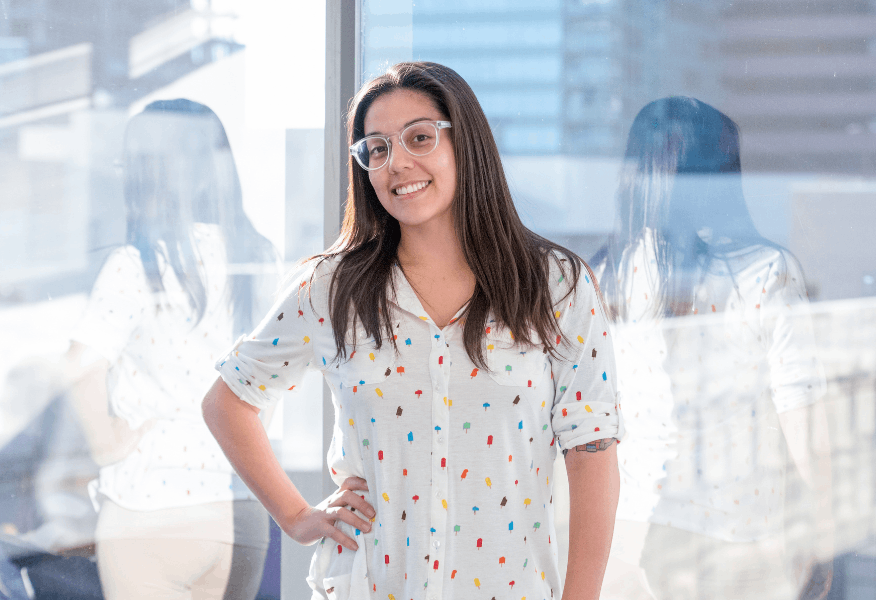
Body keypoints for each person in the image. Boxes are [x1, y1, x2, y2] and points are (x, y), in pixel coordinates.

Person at [203, 61, 624, 600]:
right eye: (376, 149)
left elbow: (593, 451)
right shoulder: (330, 287)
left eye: (419, 138)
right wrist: (297, 516)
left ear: (464, 143)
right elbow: (228, 400)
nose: (396, 164)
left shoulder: (556, 284)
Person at [591, 97, 833, 600]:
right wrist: (826, 533)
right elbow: (805, 427)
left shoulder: (603, 277)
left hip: (626, 537)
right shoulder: (766, 272)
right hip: (735, 539)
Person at [63, 98, 276, 600]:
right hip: (238, 507)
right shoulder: (261, 262)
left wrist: (106, 442)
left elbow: (79, 365)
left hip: (150, 507)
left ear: (145, 174)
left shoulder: (137, 265)